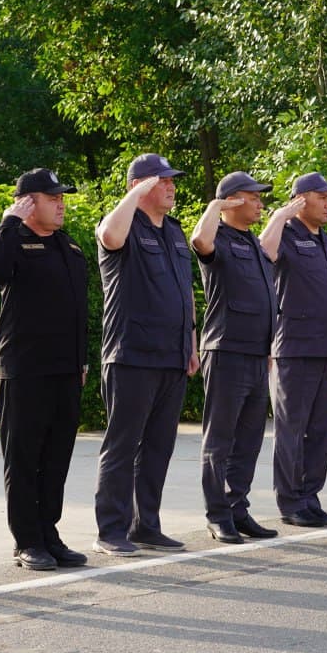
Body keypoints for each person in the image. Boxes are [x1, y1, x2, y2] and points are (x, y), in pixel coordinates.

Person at [93, 153, 199, 557]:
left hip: (171, 355)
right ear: (138, 185)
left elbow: (185, 292)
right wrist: (135, 195)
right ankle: (110, 530)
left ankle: (146, 525)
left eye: (173, 180)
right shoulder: (122, 223)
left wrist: (190, 343)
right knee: (123, 446)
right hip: (132, 354)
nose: (172, 186)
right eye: (163, 180)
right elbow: (109, 238)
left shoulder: (173, 231)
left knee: (158, 446)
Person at [0, 168, 89, 571]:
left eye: (62, 196)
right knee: (24, 458)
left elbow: (78, 313)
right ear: (28, 202)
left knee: (56, 457)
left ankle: (50, 534)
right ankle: (26, 540)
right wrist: (9, 222)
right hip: (25, 370)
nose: (61, 203)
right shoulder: (14, 241)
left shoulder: (70, 249)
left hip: (65, 371)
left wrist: (80, 360)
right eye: (52, 197)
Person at [191, 171, 280, 544]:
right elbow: (199, 240)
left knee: (249, 439)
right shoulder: (219, 238)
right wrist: (215, 206)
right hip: (226, 350)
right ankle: (217, 514)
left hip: (257, 353)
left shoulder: (252, 244)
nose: (260, 203)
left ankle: (237, 508)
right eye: (253, 196)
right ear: (231, 201)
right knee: (221, 438)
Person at [261, 172, 327, 528]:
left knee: (322, 430)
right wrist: (280, 215)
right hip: (294, 348)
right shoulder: (287, 236)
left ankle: (310, 497)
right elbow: (263, 250)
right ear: (299, 200)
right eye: (320, 196)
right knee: (291, 429)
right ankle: (290, 501)